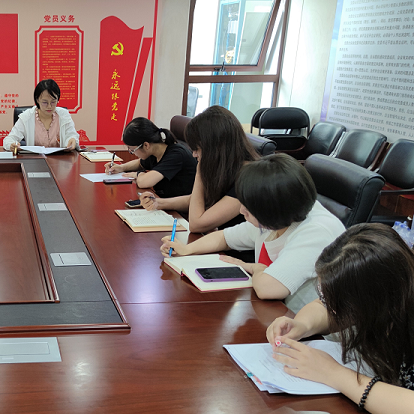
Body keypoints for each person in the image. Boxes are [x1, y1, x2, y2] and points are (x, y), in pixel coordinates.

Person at [161, 154, 345, 312]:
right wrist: (187, 249)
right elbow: (224, 238)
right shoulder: (278, 217)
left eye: (248, 207)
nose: (242, 211)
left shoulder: (317, 231)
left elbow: (268, 288)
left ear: (272, 209)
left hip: (310, 330)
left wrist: (256, 268)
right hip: (275, 313)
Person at [267, 223, 414, 412]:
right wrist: (302, 325)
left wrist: (333, 373)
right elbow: (325, 307)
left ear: (374, 301)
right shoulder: (392, 291)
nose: (330, 307)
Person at [139, 105, 259, 233]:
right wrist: (158, 203)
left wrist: (200, 173)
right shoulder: (226, 167)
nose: (194, 154)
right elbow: (196, 200)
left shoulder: (249, 178)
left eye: (197, 149)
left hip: (235, 245)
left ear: (214, 148)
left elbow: (196, 224)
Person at [104, 117, 196, 198]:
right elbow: (140, 163)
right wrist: (121, 167)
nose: (132, 153)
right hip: (161, 201)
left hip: (179, 209)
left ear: (146, 145)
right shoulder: (155, 151)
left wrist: (138, 175)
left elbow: (144, 182)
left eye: (132, 150)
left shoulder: (176, 155)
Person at [3, 79, 80, 151]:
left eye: (53, 102)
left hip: (60, 159)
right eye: (45, 102)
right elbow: (9, 139)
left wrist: (72, 140)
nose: (49, 106)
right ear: (37, 100)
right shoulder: (26, 117)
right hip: (35, 159)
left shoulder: (64, 115)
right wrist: (11, 145)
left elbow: (72, 135)